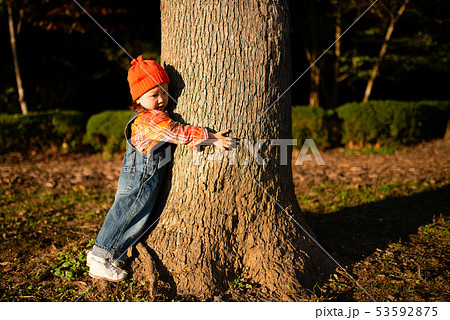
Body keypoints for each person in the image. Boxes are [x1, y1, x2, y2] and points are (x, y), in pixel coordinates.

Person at [87, 55, 233, 281]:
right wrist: (210, 137)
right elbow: (178, 132)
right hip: (140, 177)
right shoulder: (151, 121)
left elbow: (171, 137)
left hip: (142, 175)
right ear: (138, 98)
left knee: (136, 215)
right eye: (153, 95)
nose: (162, 99)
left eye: (164, 92)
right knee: (128, 213)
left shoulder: (153, 117)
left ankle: (109, 254)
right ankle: (100, 257)